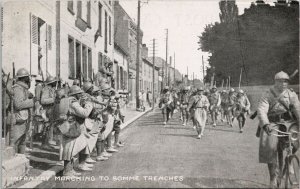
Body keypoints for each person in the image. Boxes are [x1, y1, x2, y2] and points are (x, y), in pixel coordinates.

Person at [257, 71, 300, 188]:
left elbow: (297, 109)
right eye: (280, 81)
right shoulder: (268, 94)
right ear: (275, 82)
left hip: (288, 123)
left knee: (296, 141)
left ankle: (290, 161)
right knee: (269, 146)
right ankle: (273, 177)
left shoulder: (291, 94)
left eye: (286, 81)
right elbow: (261, 110)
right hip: (272, 123)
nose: (283, 84)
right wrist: (265, 124)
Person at [9, 68, 35, 154]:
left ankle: (22, 162)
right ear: (24, 78)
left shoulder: (23, 88)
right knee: (15, 142)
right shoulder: (18, 89)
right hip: (18, 119)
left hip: (23, 119)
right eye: (27, 77)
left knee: (22, 142)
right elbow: (18, 105)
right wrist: (32, 102)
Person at [40, 75, 57, 149]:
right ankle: (44, 143)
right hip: (46, 110)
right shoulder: (46, 89)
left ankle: (48, 142)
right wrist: (53, 100)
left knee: (50, 127)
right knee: (46, 127)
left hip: (51, 110)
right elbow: (43, 100)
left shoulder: (51, 89)